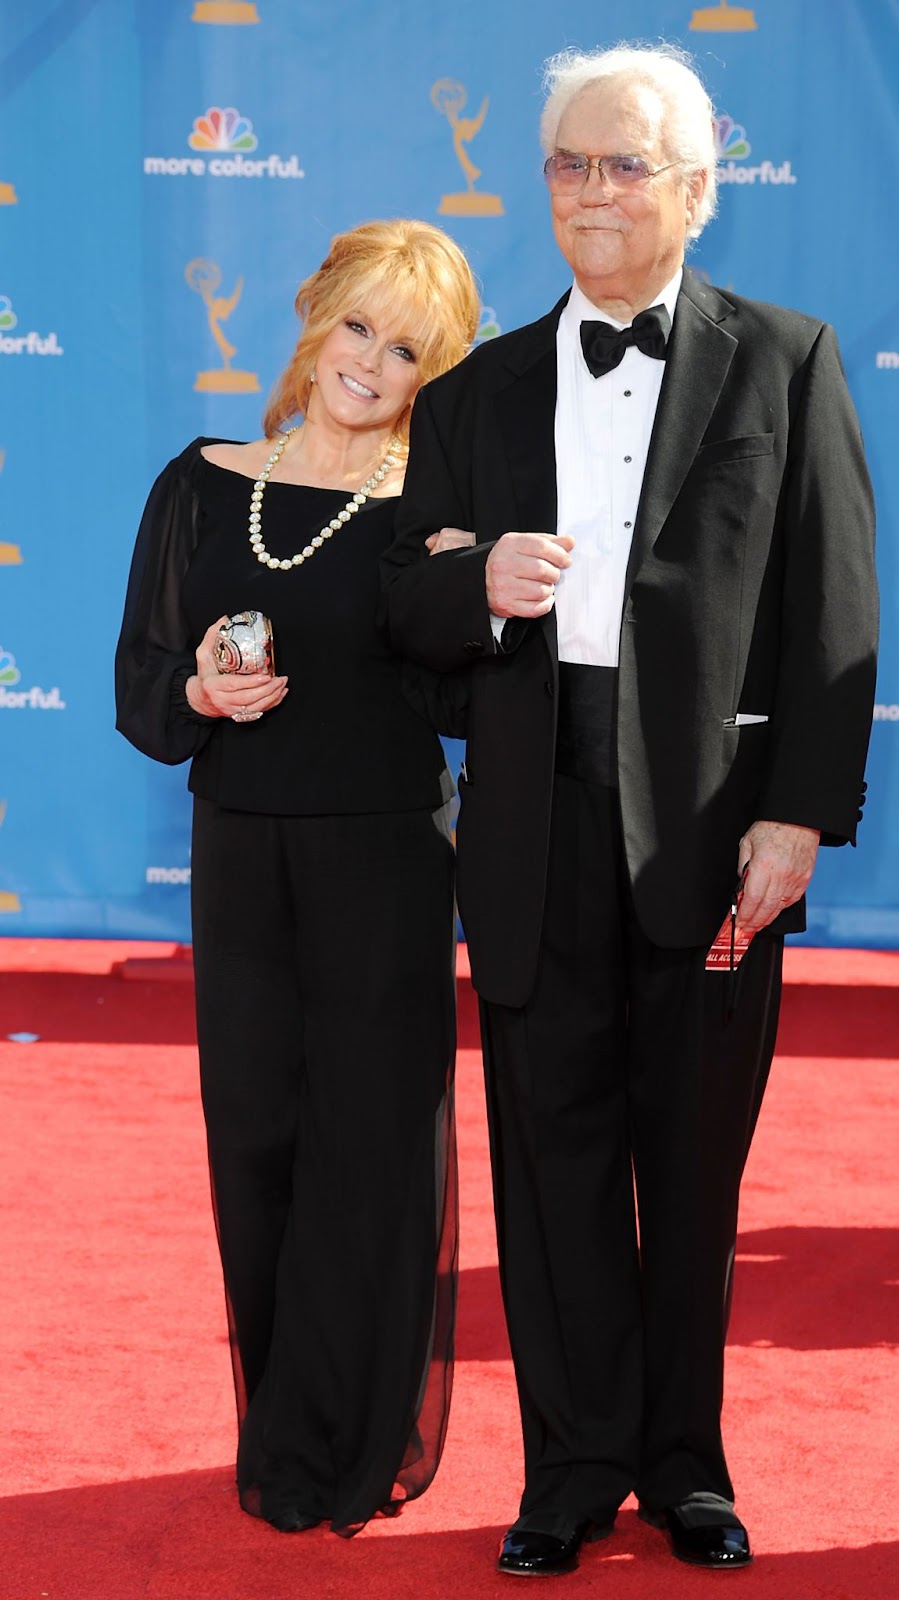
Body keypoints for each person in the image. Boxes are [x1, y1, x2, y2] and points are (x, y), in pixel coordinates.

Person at [382, 43, 878, 1576]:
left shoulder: (783, 360)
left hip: (713, 826)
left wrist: (797, 819)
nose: (591, 194)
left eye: (624, 165)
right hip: (532, 822)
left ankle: (686, 1468)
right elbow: (405, 606)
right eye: (568, 166)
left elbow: (831, 606)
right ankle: (570, 1467)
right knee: (554, 1167)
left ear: (696, 189)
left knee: (693, 1164)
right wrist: (468, 586)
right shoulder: (471, 394)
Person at [115, 220, 480, 1536]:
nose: (371, 363)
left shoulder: (430, 516)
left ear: (428, 376)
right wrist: (202, 690)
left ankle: (348, 1431)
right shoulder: (201, 485)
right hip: (241, 852)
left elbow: (461, 697)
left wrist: (467, 589)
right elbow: (142, 688)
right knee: (255, 1139)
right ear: (313, 314)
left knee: (368, 1150)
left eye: (407, 349)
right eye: (358, 326)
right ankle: (281, 1419)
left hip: (384, 856)